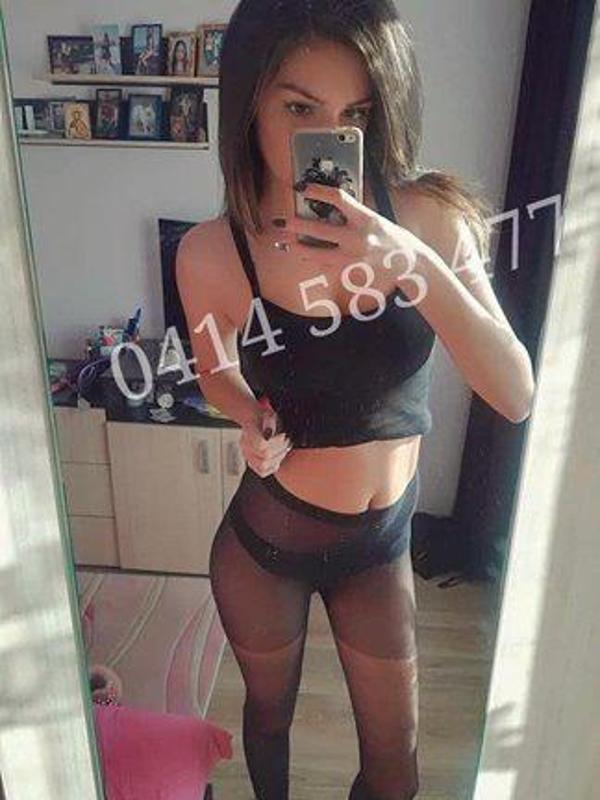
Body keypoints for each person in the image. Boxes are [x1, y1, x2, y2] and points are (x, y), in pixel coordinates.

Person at [176, 2, 535, 798]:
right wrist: (248, 415)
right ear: (249, 104)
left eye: (357, 114)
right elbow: (213, 370)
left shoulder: (430, 220)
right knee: (269, 720)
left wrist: (411, 263)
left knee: (396, 766)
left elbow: (513, 393)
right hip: (267, 544)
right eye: (299, 108)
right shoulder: (213, 251)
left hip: (380, 544)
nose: (329, 138)